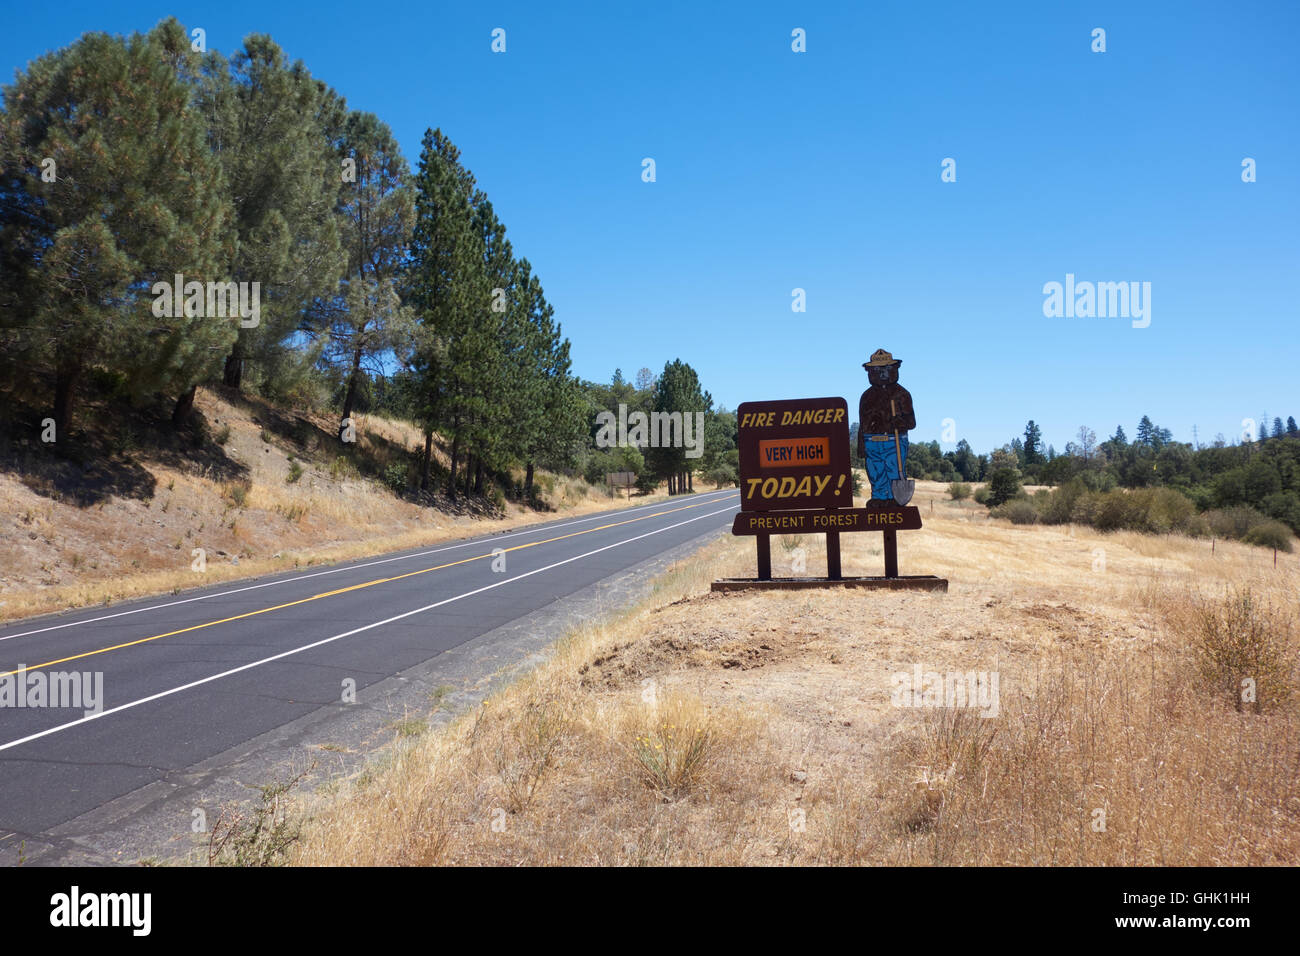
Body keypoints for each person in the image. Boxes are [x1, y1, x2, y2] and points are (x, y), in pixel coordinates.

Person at [857, 348, 915, 504]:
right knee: (876, 471)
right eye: (876, 370)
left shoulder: (902, 394)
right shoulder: (867, 397)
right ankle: (879, 498)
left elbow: (911, 422)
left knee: (894, 469)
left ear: (895, 370)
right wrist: (861, 444)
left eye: (886, 369)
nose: (882, 374)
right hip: (872, 441)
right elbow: (862, 422)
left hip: (893, 441)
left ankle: (894, 499)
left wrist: (900, 422)